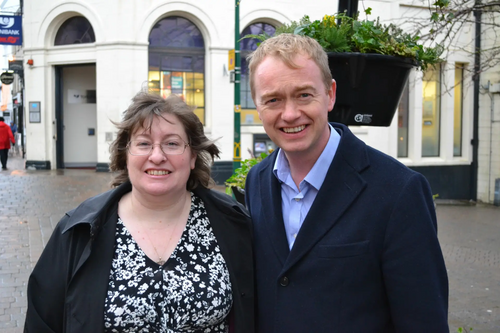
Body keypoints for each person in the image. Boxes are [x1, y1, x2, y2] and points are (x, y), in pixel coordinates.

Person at [245, 34, 449, 332]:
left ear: (330, 94)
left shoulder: (398, 191)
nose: (290, 114)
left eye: (304, 95)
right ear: (257, 105)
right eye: (273, 99)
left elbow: (424, 321)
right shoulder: (257, 181)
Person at [25, 92, 254, 332]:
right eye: (144, 143)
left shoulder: (233, 224)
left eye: (172, 144)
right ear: (125, 155)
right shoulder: (78, 231)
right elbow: (42, 321)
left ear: (193, 156)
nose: (157, 156)